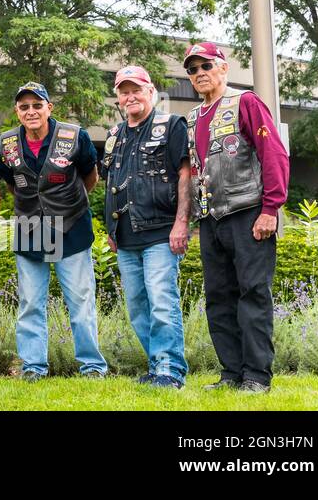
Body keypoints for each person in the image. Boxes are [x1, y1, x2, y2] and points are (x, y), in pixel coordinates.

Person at [182, 42, 289, 394]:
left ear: (223, 68)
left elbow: (272, 154)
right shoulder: (193, 118)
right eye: (193, 70)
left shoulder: (245, 102)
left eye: (206, 66)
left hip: (248, 215)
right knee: (218, 297)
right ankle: (231, 374)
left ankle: (257, 377)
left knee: (253, 294)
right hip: (210, 220)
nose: (200, 74)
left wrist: (271, 209)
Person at [0, 82, 108, 380]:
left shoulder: (74, 136)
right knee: (30, 303)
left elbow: (90, 175)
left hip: (71, 229)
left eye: (37, 105)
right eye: (24, 106)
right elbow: (11, 182)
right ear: (17, 112)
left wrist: (66, 204)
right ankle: (33, 367)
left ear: (49, 107)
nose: (31, 111)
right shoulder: (5, 143)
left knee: (81, 303)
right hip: (30, 230)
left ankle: (92, 367)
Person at [101, 66, 191, 389]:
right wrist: (110, 231)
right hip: (125, 237)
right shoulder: (114, 137)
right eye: (124, 91)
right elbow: (111, 182)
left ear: (151, 91)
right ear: (118, 98)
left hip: (161, 231)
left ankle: (170, 370)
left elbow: (186, 174)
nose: (130, 96)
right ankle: (156, 367)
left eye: (136, 89)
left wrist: (182, 222)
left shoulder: (171, 126)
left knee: (162, 300)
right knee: (137, 306)